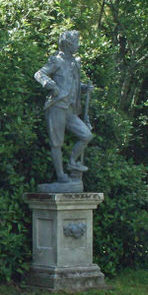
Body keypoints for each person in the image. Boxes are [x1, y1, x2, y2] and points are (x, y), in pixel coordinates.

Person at [35, 30, 94, 183]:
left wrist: (83, 88)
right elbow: (39, 74)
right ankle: (60, 175)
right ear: (68, 44)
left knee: (86, 135)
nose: (78, 45)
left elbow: (71, 84)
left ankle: (72, 162)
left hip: (70, 110)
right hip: (56, 107)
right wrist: (51, 86)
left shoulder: (75, 63)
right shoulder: (56, 61)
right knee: (57, 143)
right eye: (76, 42)